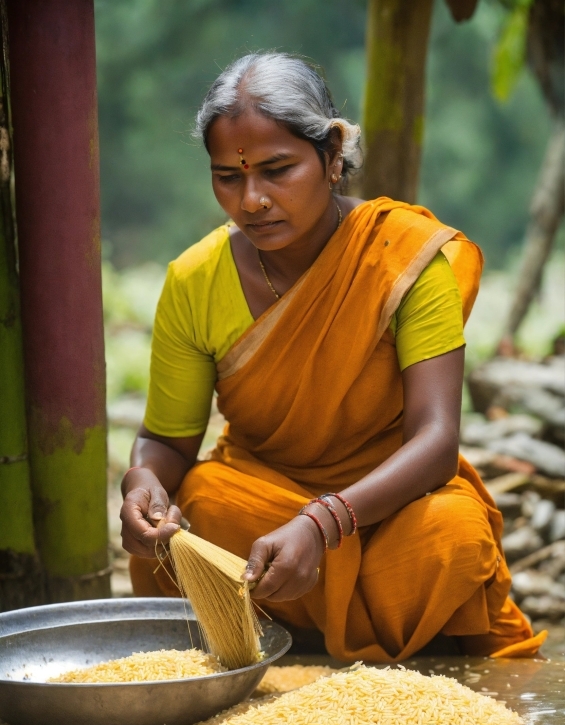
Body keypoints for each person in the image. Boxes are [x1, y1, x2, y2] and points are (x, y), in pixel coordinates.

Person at [120, 52, 546, 662]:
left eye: (277, 170)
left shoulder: (403, 260)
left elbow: (435, 441)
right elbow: (167, 439)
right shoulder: (194, 280)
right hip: (263, 516)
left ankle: (314, 633)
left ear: (333, 155)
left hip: (390, 509)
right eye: (228, 177)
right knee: (208, 500)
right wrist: (142, 482)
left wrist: (322, 525)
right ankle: (296, 633)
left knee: (453, 535)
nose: (253, 199)